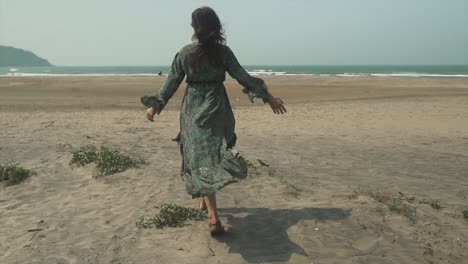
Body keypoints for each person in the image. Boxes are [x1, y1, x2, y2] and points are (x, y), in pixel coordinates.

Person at [141, 6, 286, 236]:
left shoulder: (185, 53)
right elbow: (243, 77)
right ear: (215, 27)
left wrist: (155, 106)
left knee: (199, 157)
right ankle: (205, 198)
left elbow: (171, 82)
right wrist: (268, 97)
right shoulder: (223, 53)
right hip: (218, 107)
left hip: (194, 109)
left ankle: (214, 218)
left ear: (194, 28)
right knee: (211, 155)